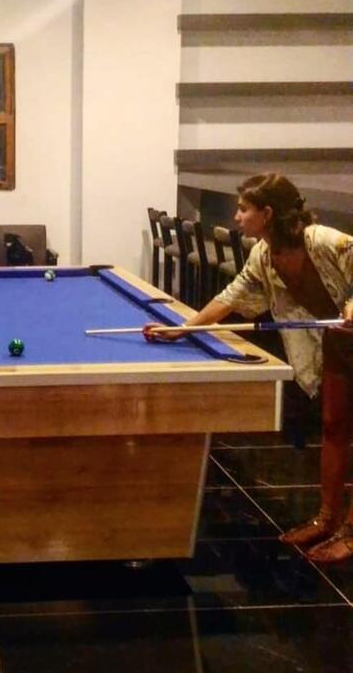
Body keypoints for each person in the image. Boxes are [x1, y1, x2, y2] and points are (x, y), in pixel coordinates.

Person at [143, 173, 353, 563]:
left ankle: (352, 534)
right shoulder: (263, 255)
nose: (236, 217)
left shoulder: (324, 240)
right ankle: (327, 519)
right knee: (333, 427)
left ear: (267, 213)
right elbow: (232, 296)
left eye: (243, 209)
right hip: (340, 346)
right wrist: (184, 329)